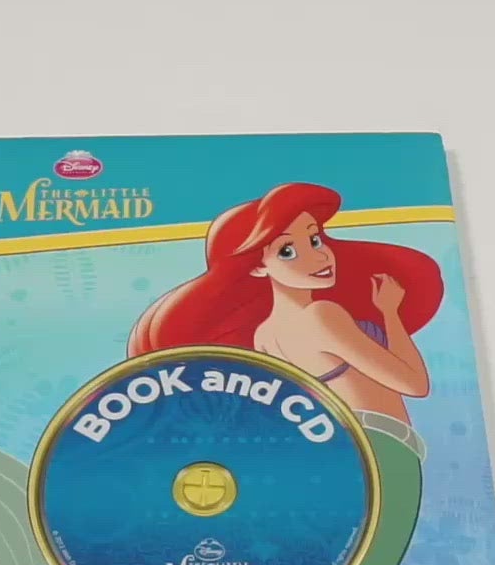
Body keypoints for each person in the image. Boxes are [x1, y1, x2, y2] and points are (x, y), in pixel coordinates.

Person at [128, 182, 443, 425]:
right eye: (287, 251)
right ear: (257, 267)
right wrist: (390, 313)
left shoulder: (263, 337)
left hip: (337, 448)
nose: (319, 256)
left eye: (315, 239)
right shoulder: (322, 315)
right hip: (382, 445)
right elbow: (415, 384)